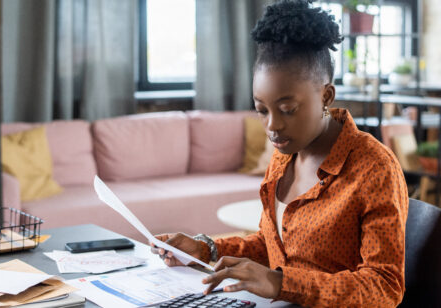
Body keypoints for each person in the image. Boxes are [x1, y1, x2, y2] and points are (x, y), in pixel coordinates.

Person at [152, 0, 408, 306]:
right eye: (262, 109)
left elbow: (384, 287)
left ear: (326, 95)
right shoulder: (284, 156)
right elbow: (272, 246)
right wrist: (206, 249)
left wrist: (281, 283)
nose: (272, 125)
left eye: (287, 109)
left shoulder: (374, 168)